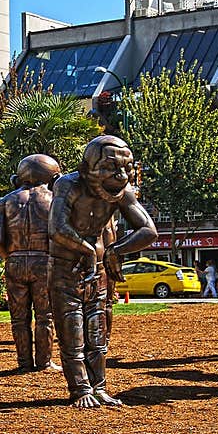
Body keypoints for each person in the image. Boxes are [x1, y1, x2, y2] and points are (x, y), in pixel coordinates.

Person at [48, 135, 157, 408]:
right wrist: (87, 250)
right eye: (110, 168)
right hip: (65, 269)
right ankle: (80, 389)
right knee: (72, 332)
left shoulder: (122, 192)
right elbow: (57, 228)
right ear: (86, 169)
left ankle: (99, 387)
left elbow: (148, 230)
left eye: (127, 168)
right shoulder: (68, 185)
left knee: (97, 334)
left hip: (97, 272)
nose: (121, 176)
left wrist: (115, 251)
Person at [0, 154, 62, 373]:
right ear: (54, 177)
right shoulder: (55, 201)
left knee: (19, 318)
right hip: (45, 262)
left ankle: (24, 362)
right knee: (44, 316)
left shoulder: (5, 202)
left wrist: (9, 257)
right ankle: (44, 361)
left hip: (15, 262)